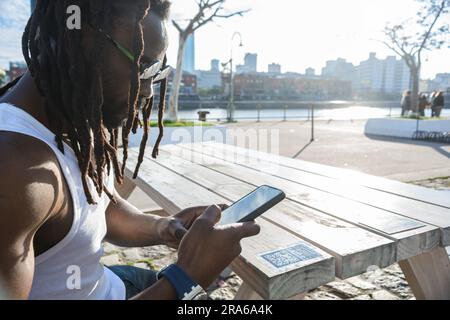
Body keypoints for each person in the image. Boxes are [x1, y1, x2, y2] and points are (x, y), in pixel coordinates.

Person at [0, 0, 260, 300]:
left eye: (156, 73)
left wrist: (165, 227)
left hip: (111, 283)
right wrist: (185, 277)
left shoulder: (78, 113)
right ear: (81, 37)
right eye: (143, 65)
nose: (147, 91)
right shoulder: (15, 170)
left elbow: (102, 208)